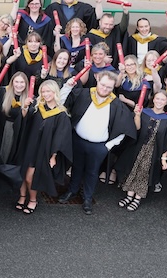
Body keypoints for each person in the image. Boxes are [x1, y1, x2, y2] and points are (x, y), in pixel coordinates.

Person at [59, 72, 139, 215]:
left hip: (99, 146)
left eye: (109, 87)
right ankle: (72, 190)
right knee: (76, 167)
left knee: (92, 172)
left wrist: (107, 146)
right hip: (78, 140)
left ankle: (88, 198)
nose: (105, 89)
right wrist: (66, 87)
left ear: (113, 87)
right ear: (97, 80)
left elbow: (124, 129)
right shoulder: (83, 94)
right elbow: (61, 102)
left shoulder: (116, 105)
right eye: (103, 84)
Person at [13, 80, 72, 214]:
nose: (45, 94)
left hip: (42, 150)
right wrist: (25, 108)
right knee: (21, 173)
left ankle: (33, 199)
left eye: (48, 91)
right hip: (28, 145)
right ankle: (22, 197)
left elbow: (60, 136)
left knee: (30, 177)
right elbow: (24, 123)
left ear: (55, 92)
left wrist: (54, 155)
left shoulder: (61, 114)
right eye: (43, 91)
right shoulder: (36, 107)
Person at [113, 90, 167, 212]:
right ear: (153, 99)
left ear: (166, 102)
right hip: (138, 147)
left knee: (144, 174)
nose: (159, 101)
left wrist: (164, 158)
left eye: (163, 99)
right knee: (132, 170)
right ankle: (129, 195)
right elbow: (136, 128)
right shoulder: (145, 112)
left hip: (153, 151)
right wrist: (137, 115)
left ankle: (137, 198)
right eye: (157, 98)